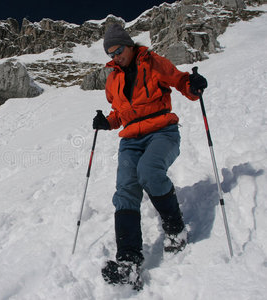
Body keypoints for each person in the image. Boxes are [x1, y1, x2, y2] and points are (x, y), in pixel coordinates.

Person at [93, 23, 208, 288]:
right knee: (125, 191)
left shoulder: (153, 62)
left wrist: (194, 85)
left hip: (162, 132)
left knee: (149, 172)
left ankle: (176, 229)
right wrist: (106, 122)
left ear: (129, 45)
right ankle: (128, 262)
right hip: (131, 140)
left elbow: (181, 81)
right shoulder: (113, 78)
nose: (115, 56)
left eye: (118, 50)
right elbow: (119, 115)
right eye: (110, 53)